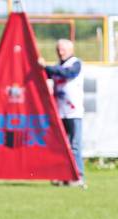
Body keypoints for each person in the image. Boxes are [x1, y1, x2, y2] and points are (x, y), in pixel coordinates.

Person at [39, 39, 85, 187]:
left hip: (73, 112)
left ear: (71, 49)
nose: (60, 52)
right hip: (60, 112)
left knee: (74, 145)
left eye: (63, 49)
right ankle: (61, 175)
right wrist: (42, 68)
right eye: (58, 49)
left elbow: (67, 73)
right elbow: (47, 74)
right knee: (60, 146)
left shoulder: (75, 63)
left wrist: (46, 67)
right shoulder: (57, 66)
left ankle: (77, 176)